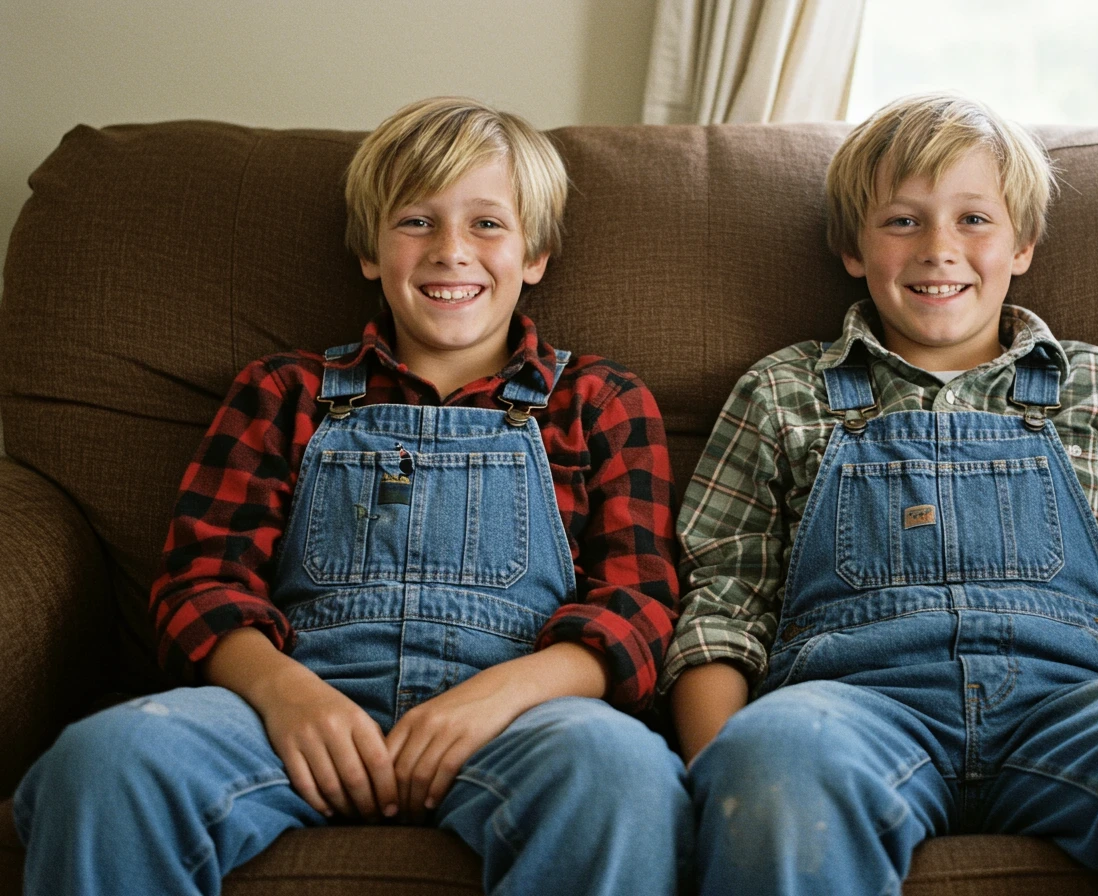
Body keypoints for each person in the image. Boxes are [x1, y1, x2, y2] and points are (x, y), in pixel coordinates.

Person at [14, 97, 691, 895]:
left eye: (486, 224)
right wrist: (286, 696)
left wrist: (495, 698)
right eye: (415, 222)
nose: (450, 252)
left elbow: (642, 603)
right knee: (105, 760)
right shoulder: (284, 390)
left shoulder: (600, 398)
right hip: (290, 712)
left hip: (519, 718)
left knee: (622, 771)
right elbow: (199, 585)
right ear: (370, 252)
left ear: (535, 254)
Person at [663, 93, 1098, 895]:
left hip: (1081, 711)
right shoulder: (784, 393)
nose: (939, 249)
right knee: (773, 764)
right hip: (852, 712)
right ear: (853, 249)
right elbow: (723, 607)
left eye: (974, 220)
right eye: (902, 221)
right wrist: (727, 774)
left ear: (1023, 243)